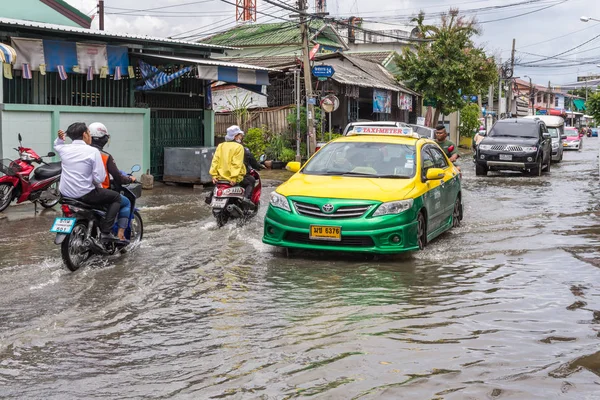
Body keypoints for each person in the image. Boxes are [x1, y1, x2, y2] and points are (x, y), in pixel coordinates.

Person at [54, 122, 122, 243]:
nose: (90, 135)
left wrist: (60, 139)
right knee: (116, 198)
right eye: (89, 132)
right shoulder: (92, 151)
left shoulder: (64, 149)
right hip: (84, 195)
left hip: (65, 195)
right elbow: (99, 178)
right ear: (84, 134)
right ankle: (106, 232)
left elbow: (57, 145)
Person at [88, 122, 136, 242]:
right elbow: (118, 177)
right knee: (125, 202)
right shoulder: (105, 156)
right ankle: (119, 235)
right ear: (103, 139)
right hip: (98, 193)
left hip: (75, 192)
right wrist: (130, 179)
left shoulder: (78, 152)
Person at [209, 125, 255, 208]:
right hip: (233, 178)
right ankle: (246, 200)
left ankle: (210, 197)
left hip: (220, 178)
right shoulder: (239, 147)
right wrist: (233, 178)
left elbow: (215, 161)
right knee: (251, 180)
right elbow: (236, 164)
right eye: (240, 135)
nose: (241, 137)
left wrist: (214, 175)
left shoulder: (220, 146)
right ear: (235, 136)